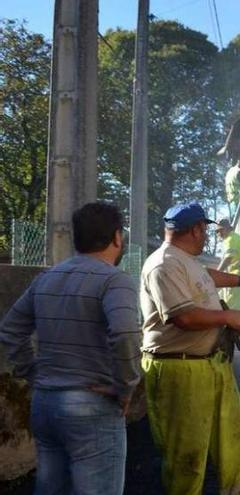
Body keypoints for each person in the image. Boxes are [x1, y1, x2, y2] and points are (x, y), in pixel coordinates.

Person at [0, 202, 141, 495]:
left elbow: (10, 329)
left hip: (45, 404)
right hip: (92, 405)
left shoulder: (46, 278)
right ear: (117, 237)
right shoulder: (116, 280)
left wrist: (34, 373)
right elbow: (126, 332)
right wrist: (125, 386)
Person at [139, 202, 240, 494]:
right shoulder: (163, 264)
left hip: (213, 364)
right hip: (180, 369)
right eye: (205, 230)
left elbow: (208, 277)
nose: (208, 235)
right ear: (196, 229)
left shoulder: (185, 260)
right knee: (187, 457)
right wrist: (227, 317)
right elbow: (183, 317)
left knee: (233, 442)